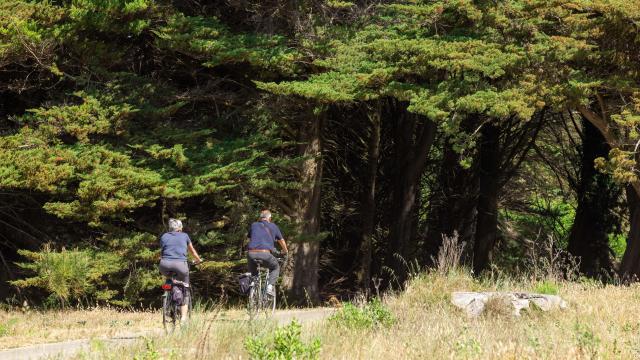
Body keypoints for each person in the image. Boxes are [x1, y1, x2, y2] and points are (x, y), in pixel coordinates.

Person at [159, 218, 202, 324]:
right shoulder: (184, 236)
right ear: (180, 228)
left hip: (164, 265)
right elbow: (191, 250)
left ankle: (168, 293)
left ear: (170, 228)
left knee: (169, 278)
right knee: (185, 287)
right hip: (180, 265)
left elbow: (163, 250)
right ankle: (183, 318)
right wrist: (198, 259)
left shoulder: (164, 236)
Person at [247, 209, 288, 295]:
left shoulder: (254, 225)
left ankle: (253, 284)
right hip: (265, 254)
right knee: (275, 267)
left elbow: (250, 239)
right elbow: (281, 241)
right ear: (269, 218)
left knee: (253, 271)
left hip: (251, 253)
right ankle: (269, 286)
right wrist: (285, 251)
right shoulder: (273, 226)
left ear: (260, 218)